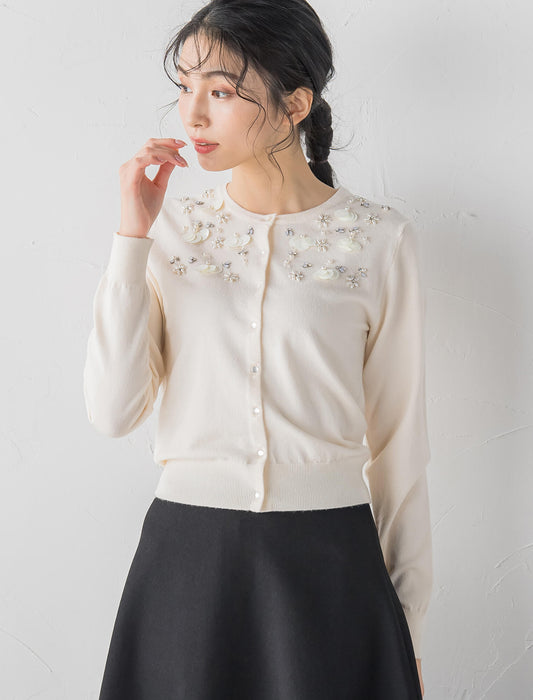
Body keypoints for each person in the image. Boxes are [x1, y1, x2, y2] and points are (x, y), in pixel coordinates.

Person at [83, 1, 433, 697]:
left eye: (221, 91)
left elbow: (401, 450)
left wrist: (410, 629)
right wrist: (131, 238)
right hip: (186, 564)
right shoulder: (170, 233)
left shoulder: (379, 239)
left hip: (331, 568)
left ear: (294, 104)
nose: (192, 115)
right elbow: (113, 412)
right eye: (185, 87)